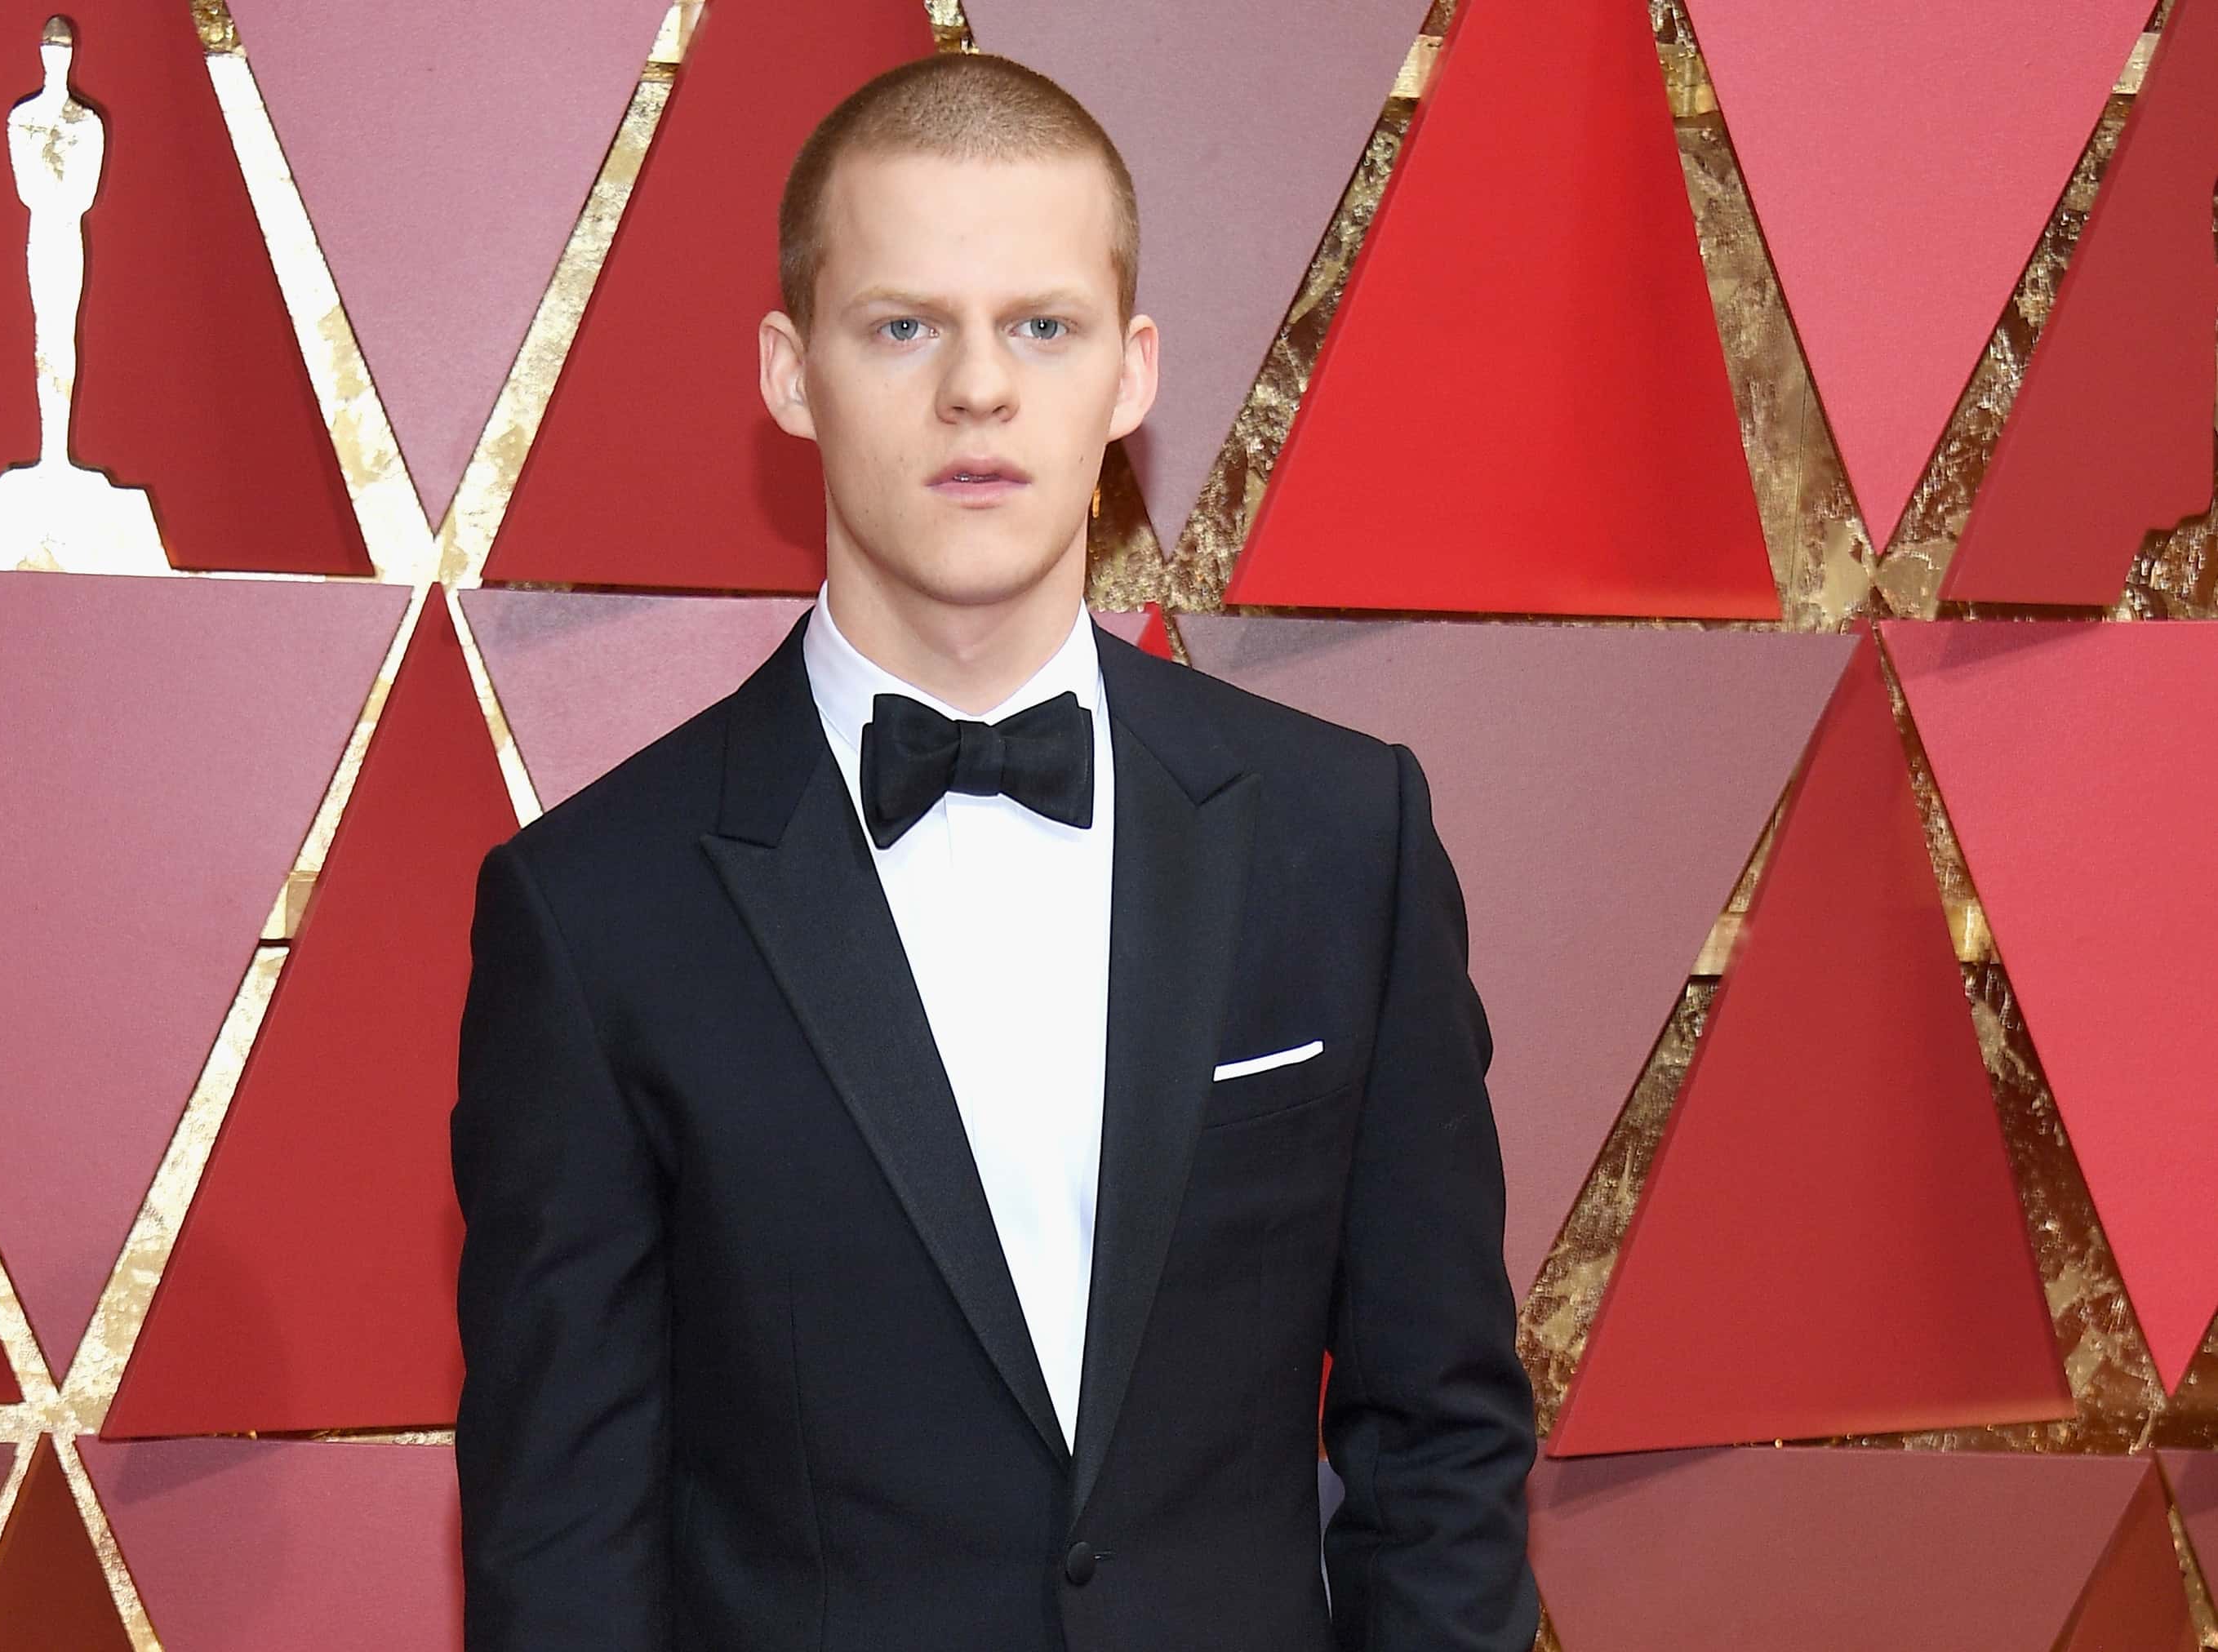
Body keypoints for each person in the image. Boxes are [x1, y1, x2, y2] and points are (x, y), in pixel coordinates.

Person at [451, 50, 1538, 1652]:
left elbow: (1438, 1435)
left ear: (1130, 370)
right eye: (903, 326)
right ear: (787, 368)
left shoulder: (1343, 839)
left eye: (1042, 325)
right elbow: (561, 1552)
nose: (978, 390)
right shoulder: (592, 911)